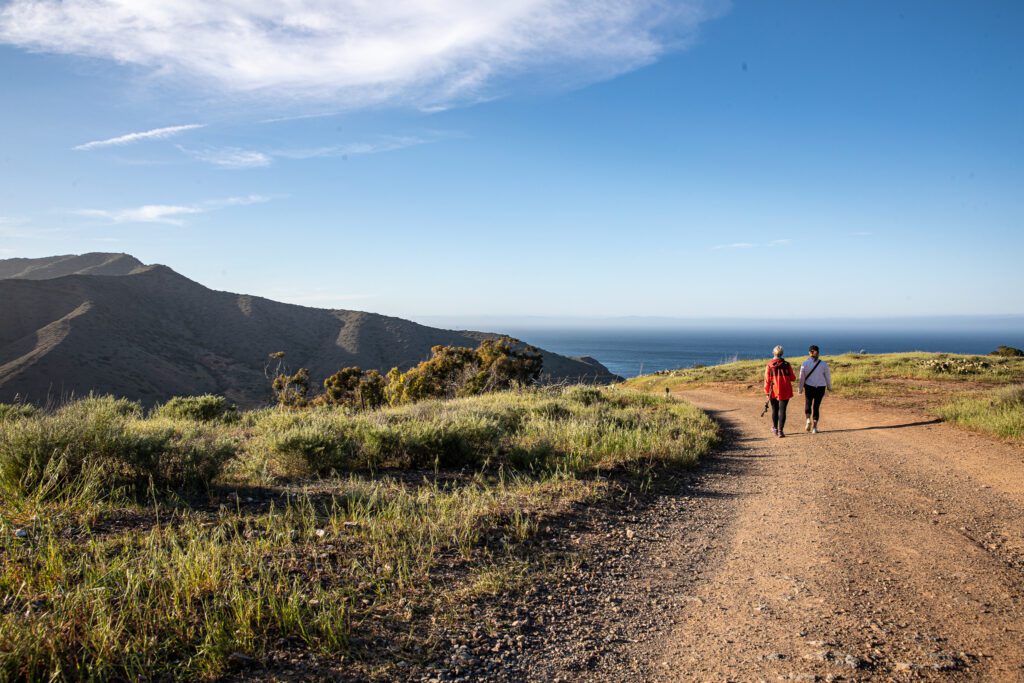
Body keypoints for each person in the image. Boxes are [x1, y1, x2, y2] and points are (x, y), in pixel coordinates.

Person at [798, 344, 832, 433]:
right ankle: (814, 428)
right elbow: (827, 376)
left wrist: (800, 389)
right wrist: (829, 386)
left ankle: (808, 419)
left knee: (808, 403)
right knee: (816, 406)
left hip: (809, 387)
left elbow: (801, 378)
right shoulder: (824, 364)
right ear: (818, 353)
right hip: (821, 387)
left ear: (809, 353)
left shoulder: (805, 363)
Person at [764, 345, 796, 437]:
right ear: (782, 354)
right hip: (785, 390)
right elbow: (793, 378)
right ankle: (780, 431)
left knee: (775, 410)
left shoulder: (769, 365)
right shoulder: (787, 364)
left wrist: (766, 392)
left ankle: (774, 428)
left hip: (773, 390)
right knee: (782, 411)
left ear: (773, 353)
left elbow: (767, 380)